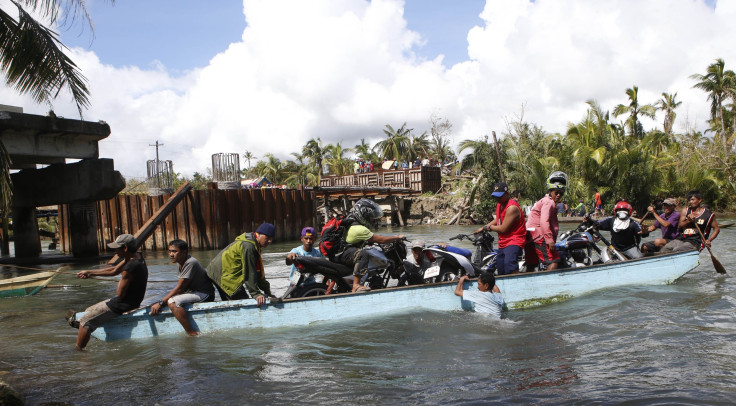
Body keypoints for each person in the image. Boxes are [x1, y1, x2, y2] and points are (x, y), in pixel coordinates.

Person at [67, 234, 148, 350]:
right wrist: (89, 272)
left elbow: (120, 293)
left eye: (117, 249)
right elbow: (114, 270)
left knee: (85, 321)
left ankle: (78, 351)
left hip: (123, 304)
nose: (115, 252)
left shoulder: (129, 267)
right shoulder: (137, 257)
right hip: (130, 301)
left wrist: (123, 279)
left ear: (125, 248)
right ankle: (92, 331)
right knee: (88, 311)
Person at [334, 198, 404, 292]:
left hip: (339, 253)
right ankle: (356, 285)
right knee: (363, 254)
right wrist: (397, 237)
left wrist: (367, 241)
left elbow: (353, 239)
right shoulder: (360, 229)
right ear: (364, 216)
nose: (373, 221)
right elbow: (382, 240)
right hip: (344, 254)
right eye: (371, 217)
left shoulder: (352, 223)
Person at [149, 239, 215, 336]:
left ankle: (191, 333)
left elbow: (180, 288)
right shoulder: (180, 262)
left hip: (205, 294)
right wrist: (161, 302)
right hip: (194, 292)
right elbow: (182, 288)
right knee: (168, 300)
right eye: (170, 251)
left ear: (184, 252)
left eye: (174, 251)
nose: (171, 254)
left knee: (172, 302)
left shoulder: (190, 262)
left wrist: (161, 302)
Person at [206, 222, 276, 305]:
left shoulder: (254, 244)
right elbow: (250, 272)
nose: (269, 241)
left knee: (239, 300)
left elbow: (258, 272)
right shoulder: (249, 246)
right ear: (259, 234)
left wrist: (267, 291)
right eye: (267, 237)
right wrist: (256, 294)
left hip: (221, 273)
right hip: (222, 275)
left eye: (271, 238)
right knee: (243, 302)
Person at [474, 182, 527, 275]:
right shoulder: (499, 204)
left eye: (500, 196)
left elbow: (503, 229)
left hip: (515, 239)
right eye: (495, 196)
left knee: (509, 265)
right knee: (500, 268)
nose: (497, 198)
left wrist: (489, 227)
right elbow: (498, 219)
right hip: (503, 241)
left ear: (507, 194)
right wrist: (483, 228)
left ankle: (518, 284)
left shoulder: (512, 208)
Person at [526, 171, 568, 271]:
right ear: (551, 191)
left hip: (530, 236)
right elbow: (544, 221)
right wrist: (549, 240)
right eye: (556, 192)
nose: (558, 195)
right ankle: (549, 285)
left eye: (560, 194)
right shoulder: (549, 202)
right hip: (540, 237)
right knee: (554, 261)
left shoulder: (543, 200)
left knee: (532, 264)